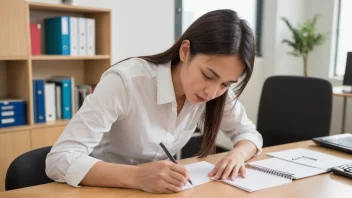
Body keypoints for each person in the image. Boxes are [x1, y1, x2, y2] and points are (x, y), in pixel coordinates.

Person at [46, 9, 263, 194]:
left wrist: (238, 154)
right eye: (208, 75)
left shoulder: (216, 92)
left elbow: (249, 134)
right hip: (102, 190)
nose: (213, 91)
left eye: (226, 84)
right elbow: (59, 160)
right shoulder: (125, 82)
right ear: (185, 51)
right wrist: (138, 176)